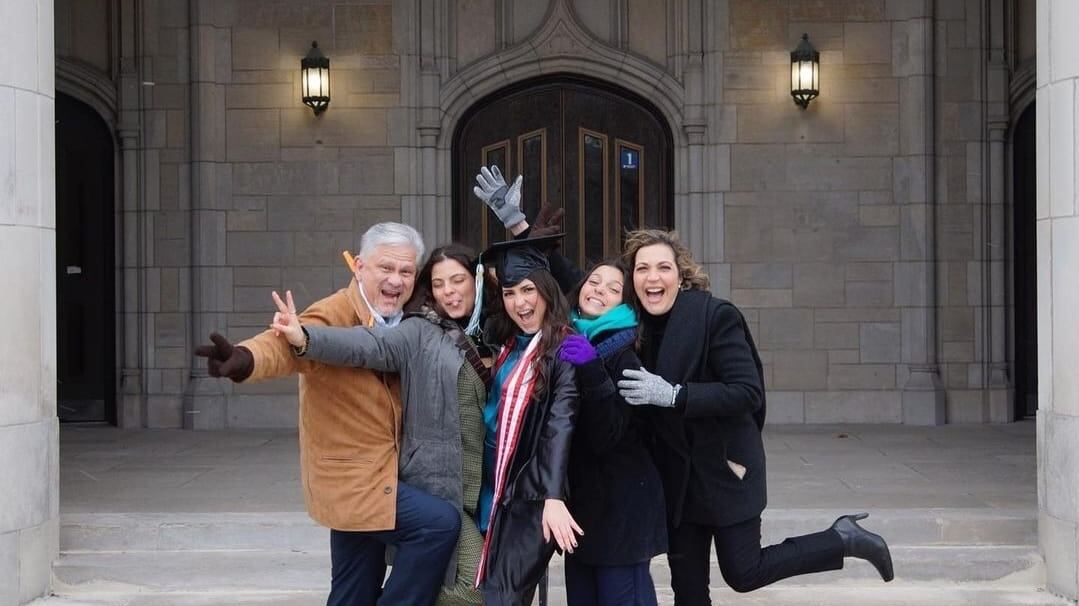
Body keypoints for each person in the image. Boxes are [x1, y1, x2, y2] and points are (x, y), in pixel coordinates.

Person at [615, 229, 894, 605]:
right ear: (632, 279)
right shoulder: (633, 328)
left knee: (744, 572)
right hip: (677, 481)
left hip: (725, 468)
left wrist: (675, 395)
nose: (653, 277)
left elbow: (747, 392)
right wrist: (534, 242)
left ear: (680, 277)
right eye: (642, 268)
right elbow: (586, 290)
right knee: (689, 592)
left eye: (663, 267)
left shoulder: (716, 317)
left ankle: (843, 538)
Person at [195, 222, 461, 606]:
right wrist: (244, 359)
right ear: (359, 267)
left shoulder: (413, 316)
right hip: (353, 480)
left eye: (406, 271)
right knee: (438, 524)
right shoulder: (335, 311)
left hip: (384, 474)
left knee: (353, 592)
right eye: (386, 268)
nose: (396, 280)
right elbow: (289, 343)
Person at [270, 243, 495, 606]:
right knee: (470, 587)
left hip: (486, 491)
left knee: (354, 587)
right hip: (439, 486)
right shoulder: (419, 331)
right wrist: (305, 338)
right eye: (438, 284)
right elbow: (369, 345)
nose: (449, 292)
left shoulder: (498, 333)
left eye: (458, 280)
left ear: (477, 280)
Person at [557, 259, 667, 606]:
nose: (599, 290)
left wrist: (592, 370)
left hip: (622, 511)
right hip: (584, 509)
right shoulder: (568, 338)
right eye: (594, 282)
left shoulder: (625, 354)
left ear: (625, 303)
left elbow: (608, 434)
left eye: (613, 288)